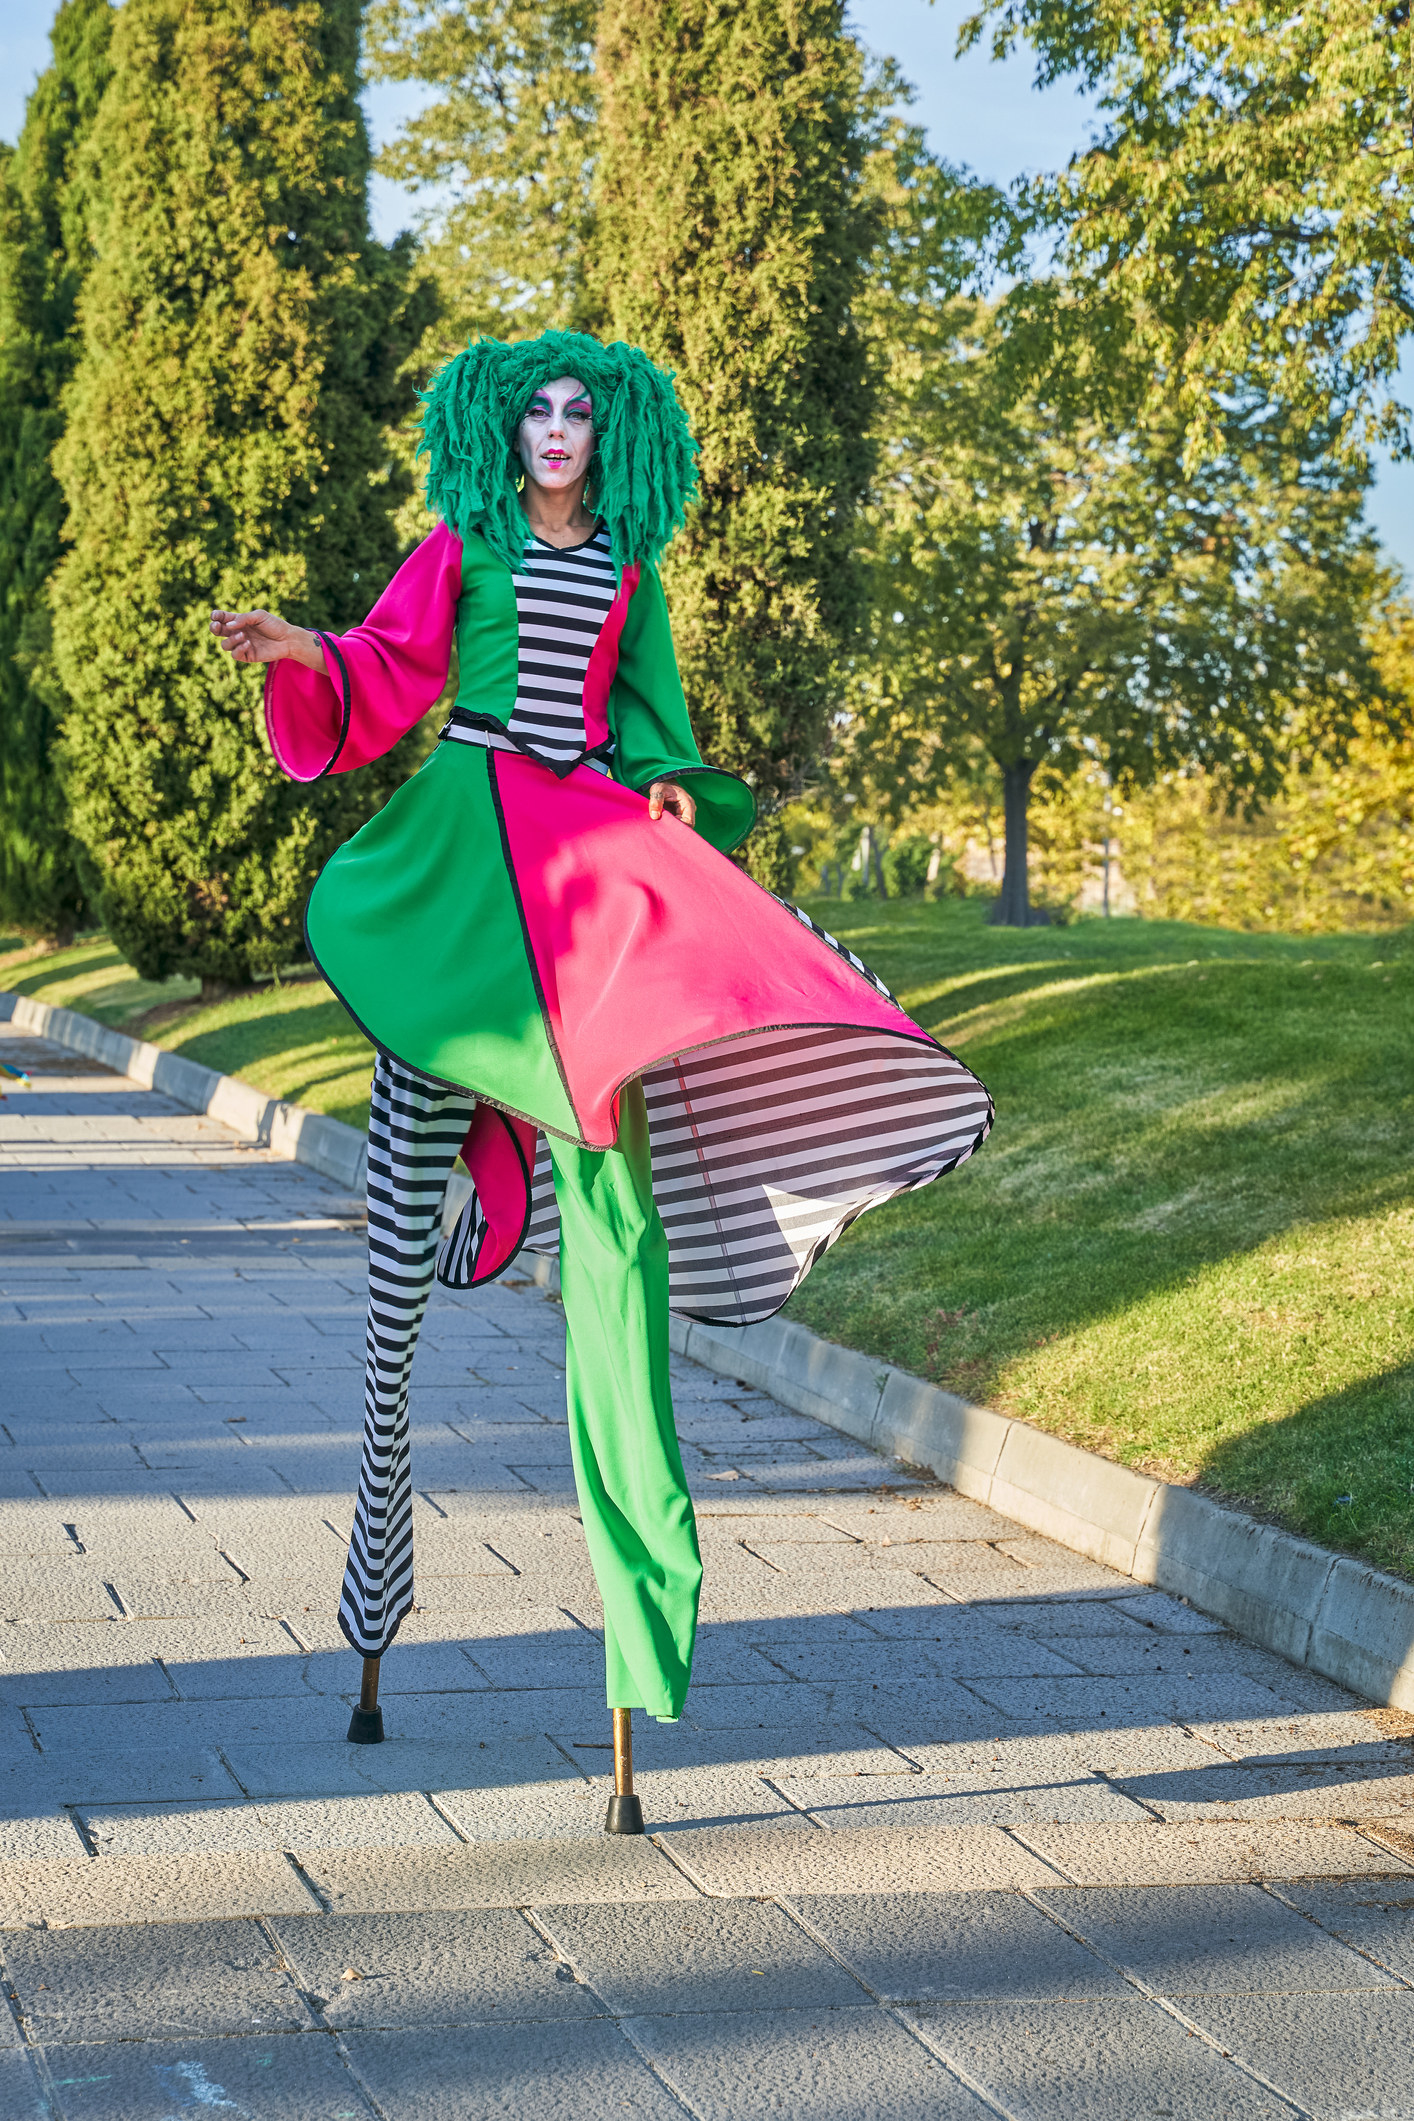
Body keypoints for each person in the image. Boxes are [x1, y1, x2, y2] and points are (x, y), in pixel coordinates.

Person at [211, 330, 992, 1752]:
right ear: (503, 432)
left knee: (618, 1243)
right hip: (461, 887)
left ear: (610, 432)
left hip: (583, 893)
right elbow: (388, 663)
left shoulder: (631, 567)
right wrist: (304, 649)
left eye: (580, 412)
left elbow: (650, 726)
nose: (559, 430)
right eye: (538, 412)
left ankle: (642, 1636)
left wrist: (671, 788)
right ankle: (372, 1594)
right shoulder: (465, 545)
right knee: (394, 1271)